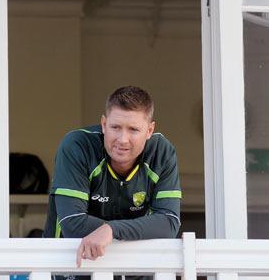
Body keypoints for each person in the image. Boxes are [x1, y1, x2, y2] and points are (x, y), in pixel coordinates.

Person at [44, 86, 182, 267]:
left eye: (133, 129)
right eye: (115, 127)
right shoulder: (77, 145)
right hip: (72, 266)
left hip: (135, 269)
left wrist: (112, 230)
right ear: (103, 124)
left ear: (149, 130)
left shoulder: (162, 152)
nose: (123, 139)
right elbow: (73, 222)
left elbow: (169, 222)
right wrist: (128, 231)